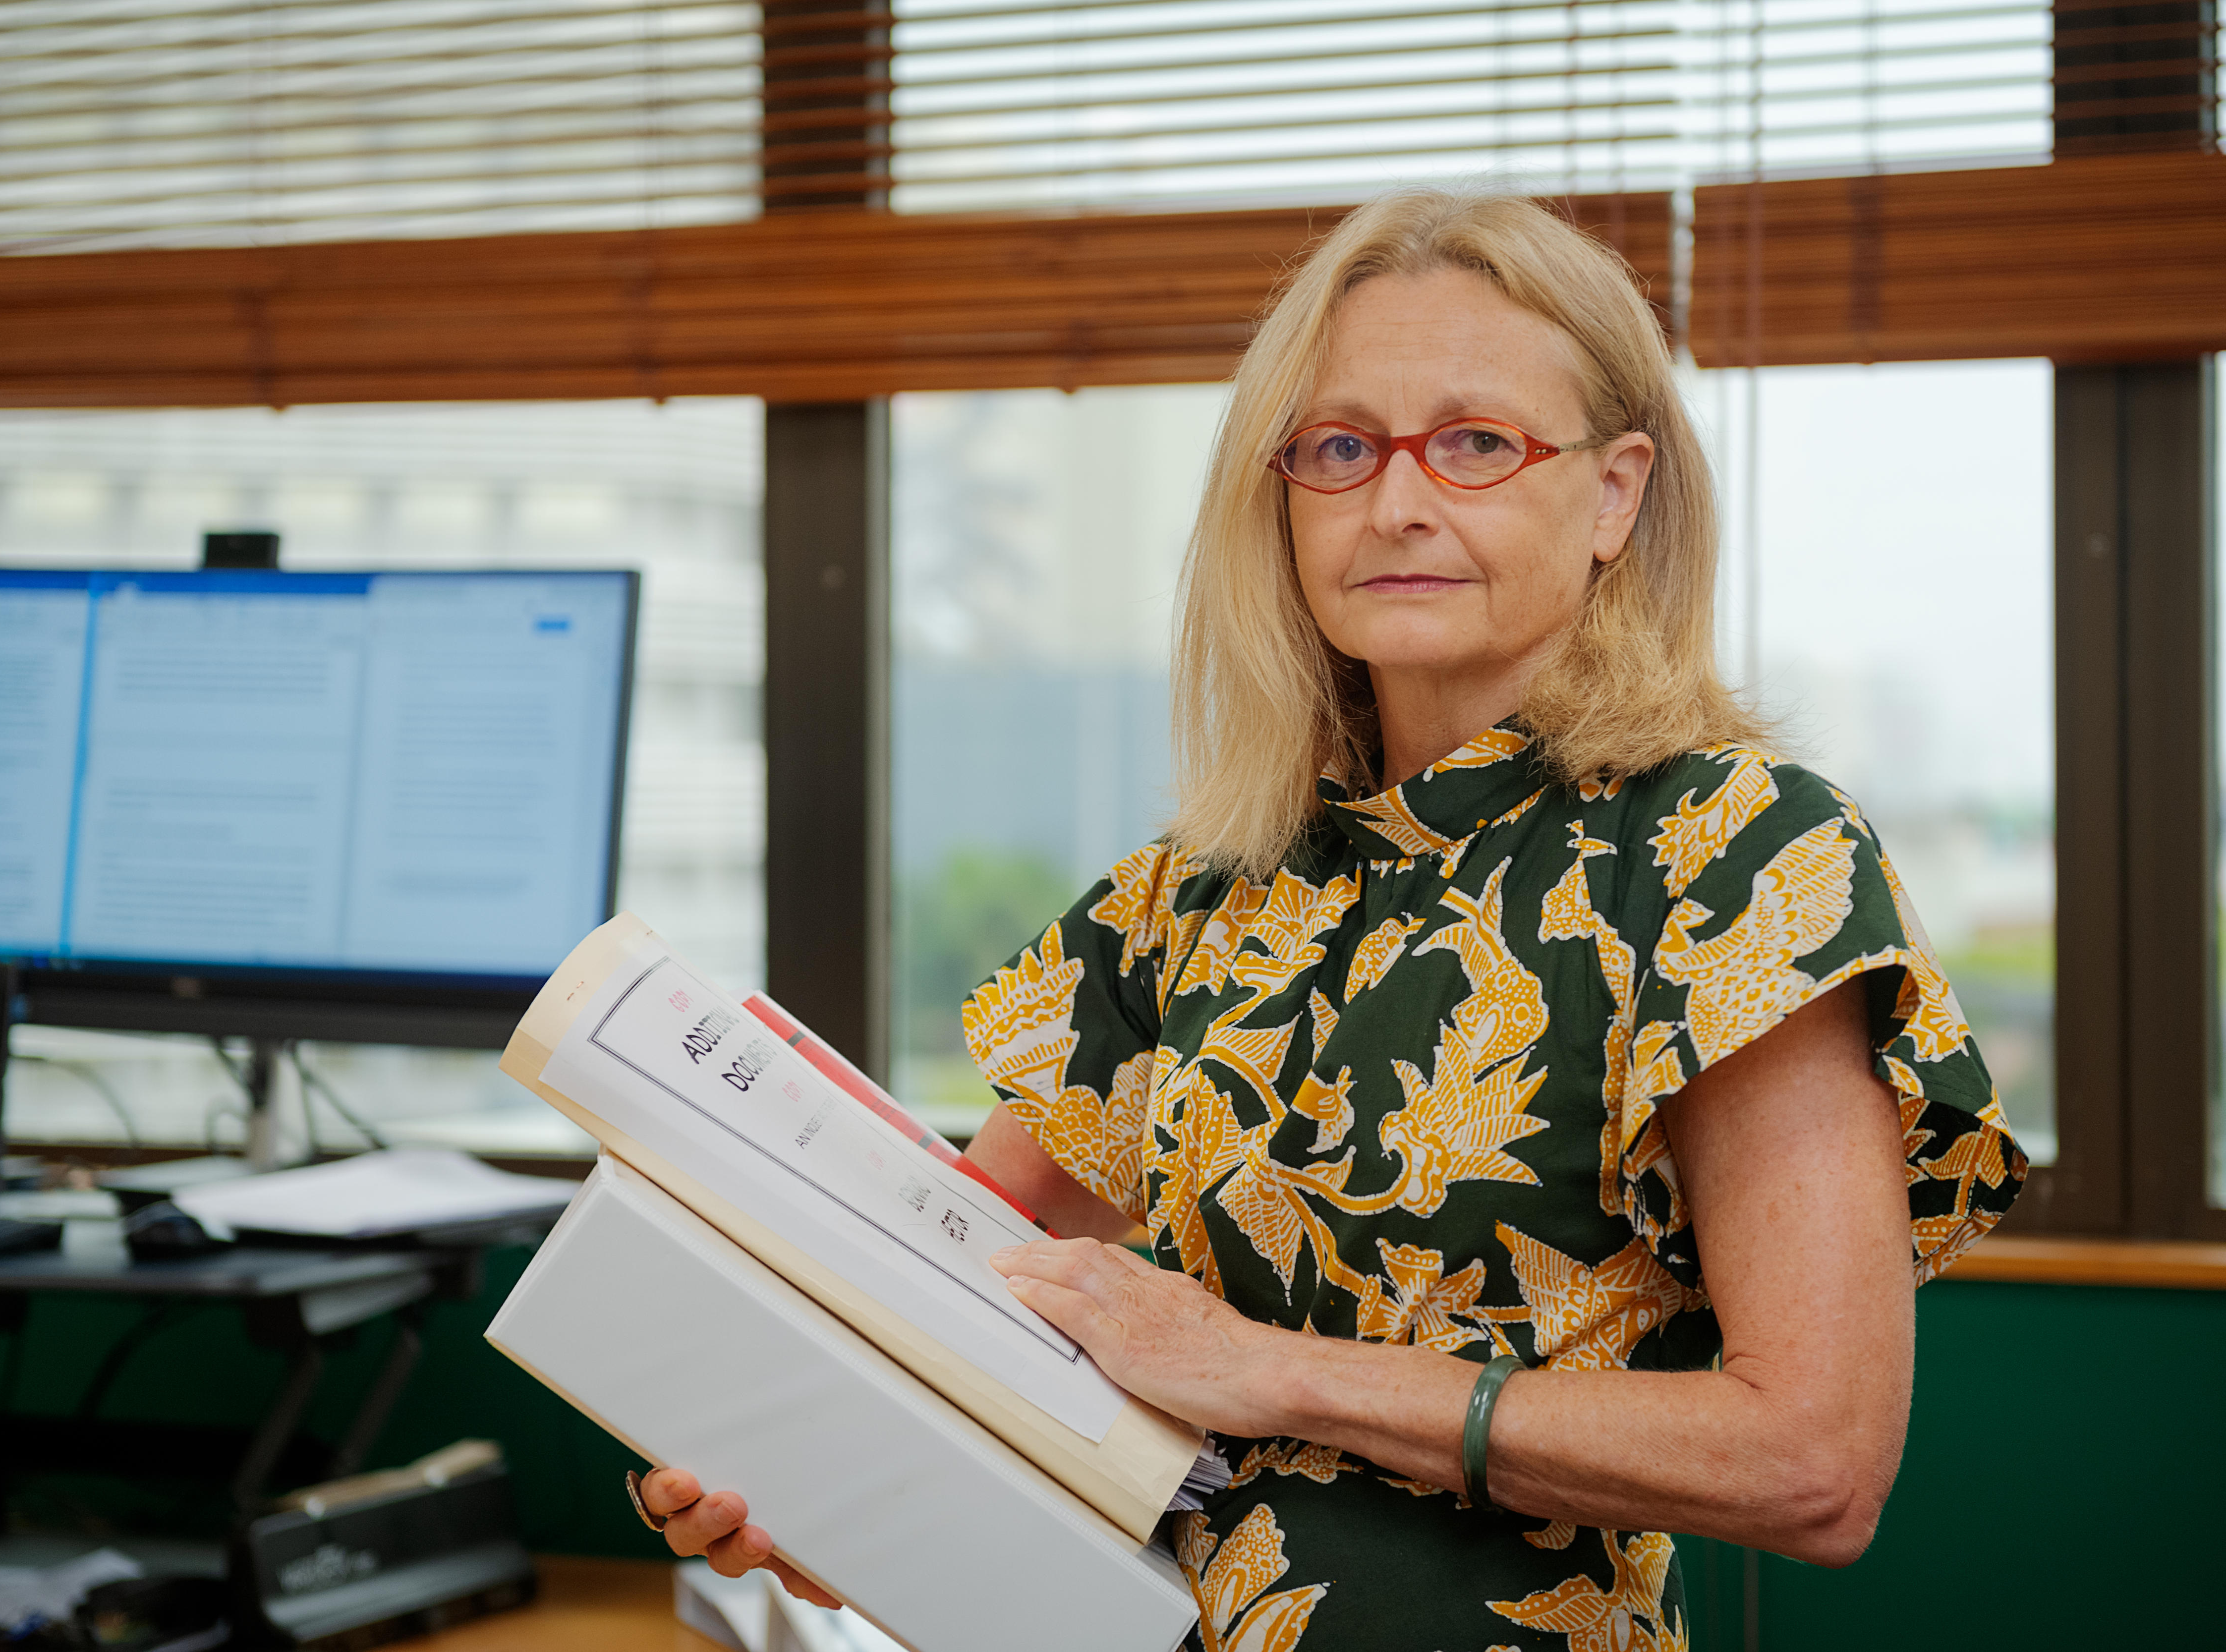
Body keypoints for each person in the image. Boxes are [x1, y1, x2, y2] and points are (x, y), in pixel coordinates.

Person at [633, 188, 2026, 1651]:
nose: (1398, 503)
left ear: (1617, 492)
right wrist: (801, 1466)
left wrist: (1272, 1373)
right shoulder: (1196, 884)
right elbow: (955, 1305)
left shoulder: (1734, 855)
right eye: (1343, 448)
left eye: (1479, 444)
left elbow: (1816, 1463)